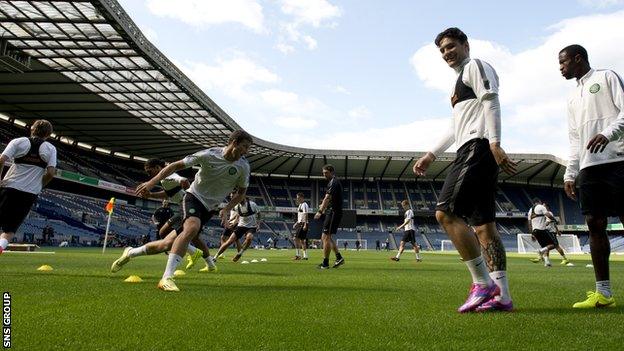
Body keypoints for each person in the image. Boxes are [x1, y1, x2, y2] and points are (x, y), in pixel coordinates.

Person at [412, 28, 516, 312]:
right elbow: (454, 127)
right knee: (484, 228)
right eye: (442, 50)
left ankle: (483, 284)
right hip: (474, 146)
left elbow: (491, 100)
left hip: (477, 148)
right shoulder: (457, 85)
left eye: (450, 46)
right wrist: (431, 154)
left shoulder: (475, 66)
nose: (447, 53)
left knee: (445, 213)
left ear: (465, 44)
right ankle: (503, 297)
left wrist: (494, 143)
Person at [136, 130, 252, 292]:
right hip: (193, 197)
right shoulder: (209, 154)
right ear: (234, 143)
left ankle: (131, 253)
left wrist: (227, 208)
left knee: (167, 243)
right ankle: (166, 278)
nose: (246, 152)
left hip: (210, 208)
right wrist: (151, 182)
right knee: (191, 228)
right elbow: (176, 166)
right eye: (244, 147)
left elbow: (241, 193)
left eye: (248, 149)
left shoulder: (244, 166)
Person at [559, 44, 624, 308]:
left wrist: (608, 134)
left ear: (578, 59)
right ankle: (603, 293)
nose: (560, 68)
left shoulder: (606, 77)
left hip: (618, 160)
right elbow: (575, 139)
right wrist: (570, 172)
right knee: (594, 225)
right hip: (589, 168)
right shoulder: (572, 98)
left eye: (563, 62)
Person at [110, 159, 215, 273]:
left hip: (186, 209)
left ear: (157, 168)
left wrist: (188, 199)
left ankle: (132, 253)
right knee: (174, 234)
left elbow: (184, 181)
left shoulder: (167, 176)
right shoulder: (166, 179)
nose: (149, 175)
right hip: (189, 209)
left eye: (150, 171)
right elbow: (169, 193)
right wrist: (151, 195)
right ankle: (202, 258)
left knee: (169, 241)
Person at [0, 120, 56, 254]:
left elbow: (1, 160)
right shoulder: (50, 149)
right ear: (48, 134)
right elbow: (51, 172)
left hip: (9, 187)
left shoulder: (18, 142)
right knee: (9, 230)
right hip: (29, 193)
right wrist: (40, 185)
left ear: (32, 129)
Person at [314, 164, 345, 269]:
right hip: (331, 211)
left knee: (326, 237)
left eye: (326, 173)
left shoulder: (334, 182)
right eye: (323, 173)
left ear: (332, 172)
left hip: (333, 212)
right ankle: (339, 257)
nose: (324, 175)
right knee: (325, 237)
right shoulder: (332, 182)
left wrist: (320, 211)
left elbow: (327, 198)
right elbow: (328, 199)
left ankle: (325, 263)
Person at [214, 196, 261, 262]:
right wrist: (233, 222)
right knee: (229, 241)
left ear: (243, 197)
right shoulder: (237, 207)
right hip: (241, 226)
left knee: (249, 237)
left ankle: (240, 253)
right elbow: (237, 216)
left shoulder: (252, 204)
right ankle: (215, 257)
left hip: (251, 226)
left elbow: (259, 214)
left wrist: (258, 224)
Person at [527, 198, 560, 267]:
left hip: (535, 231)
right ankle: (540, 251)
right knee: (554, 244)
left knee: (545, 246)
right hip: (542, 230)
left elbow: (529, 223)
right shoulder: (541, 207)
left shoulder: (530, 211)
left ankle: (547, 262)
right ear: (539, 201)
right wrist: (555, 220)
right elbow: (548, 215)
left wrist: (532, 234)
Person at [218, 191, 242, 258]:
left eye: (232, 196)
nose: (231, 197)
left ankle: (239, 254)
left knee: (236, 239)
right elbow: (232, 214)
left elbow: (238, 215)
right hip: (231, 222)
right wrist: (227, 220)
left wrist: (233, 222)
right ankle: (222, 253)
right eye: (230, 196)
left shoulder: (238, 204)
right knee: (223, 238)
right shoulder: (232, 204)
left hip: (235, 223)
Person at [293, 192, 309, 260]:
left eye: (298, 198)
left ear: (302, 198)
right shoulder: (300, 205)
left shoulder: (304, 204)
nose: (297, 199)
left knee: (295, 238)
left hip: (303, 224)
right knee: (302, 241)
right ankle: (305, 256)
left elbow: (305, 214)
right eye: (297, 198)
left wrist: (305, 224)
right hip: (300, 223)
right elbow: (301, 215)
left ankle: (298, 255)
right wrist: (296, 223)